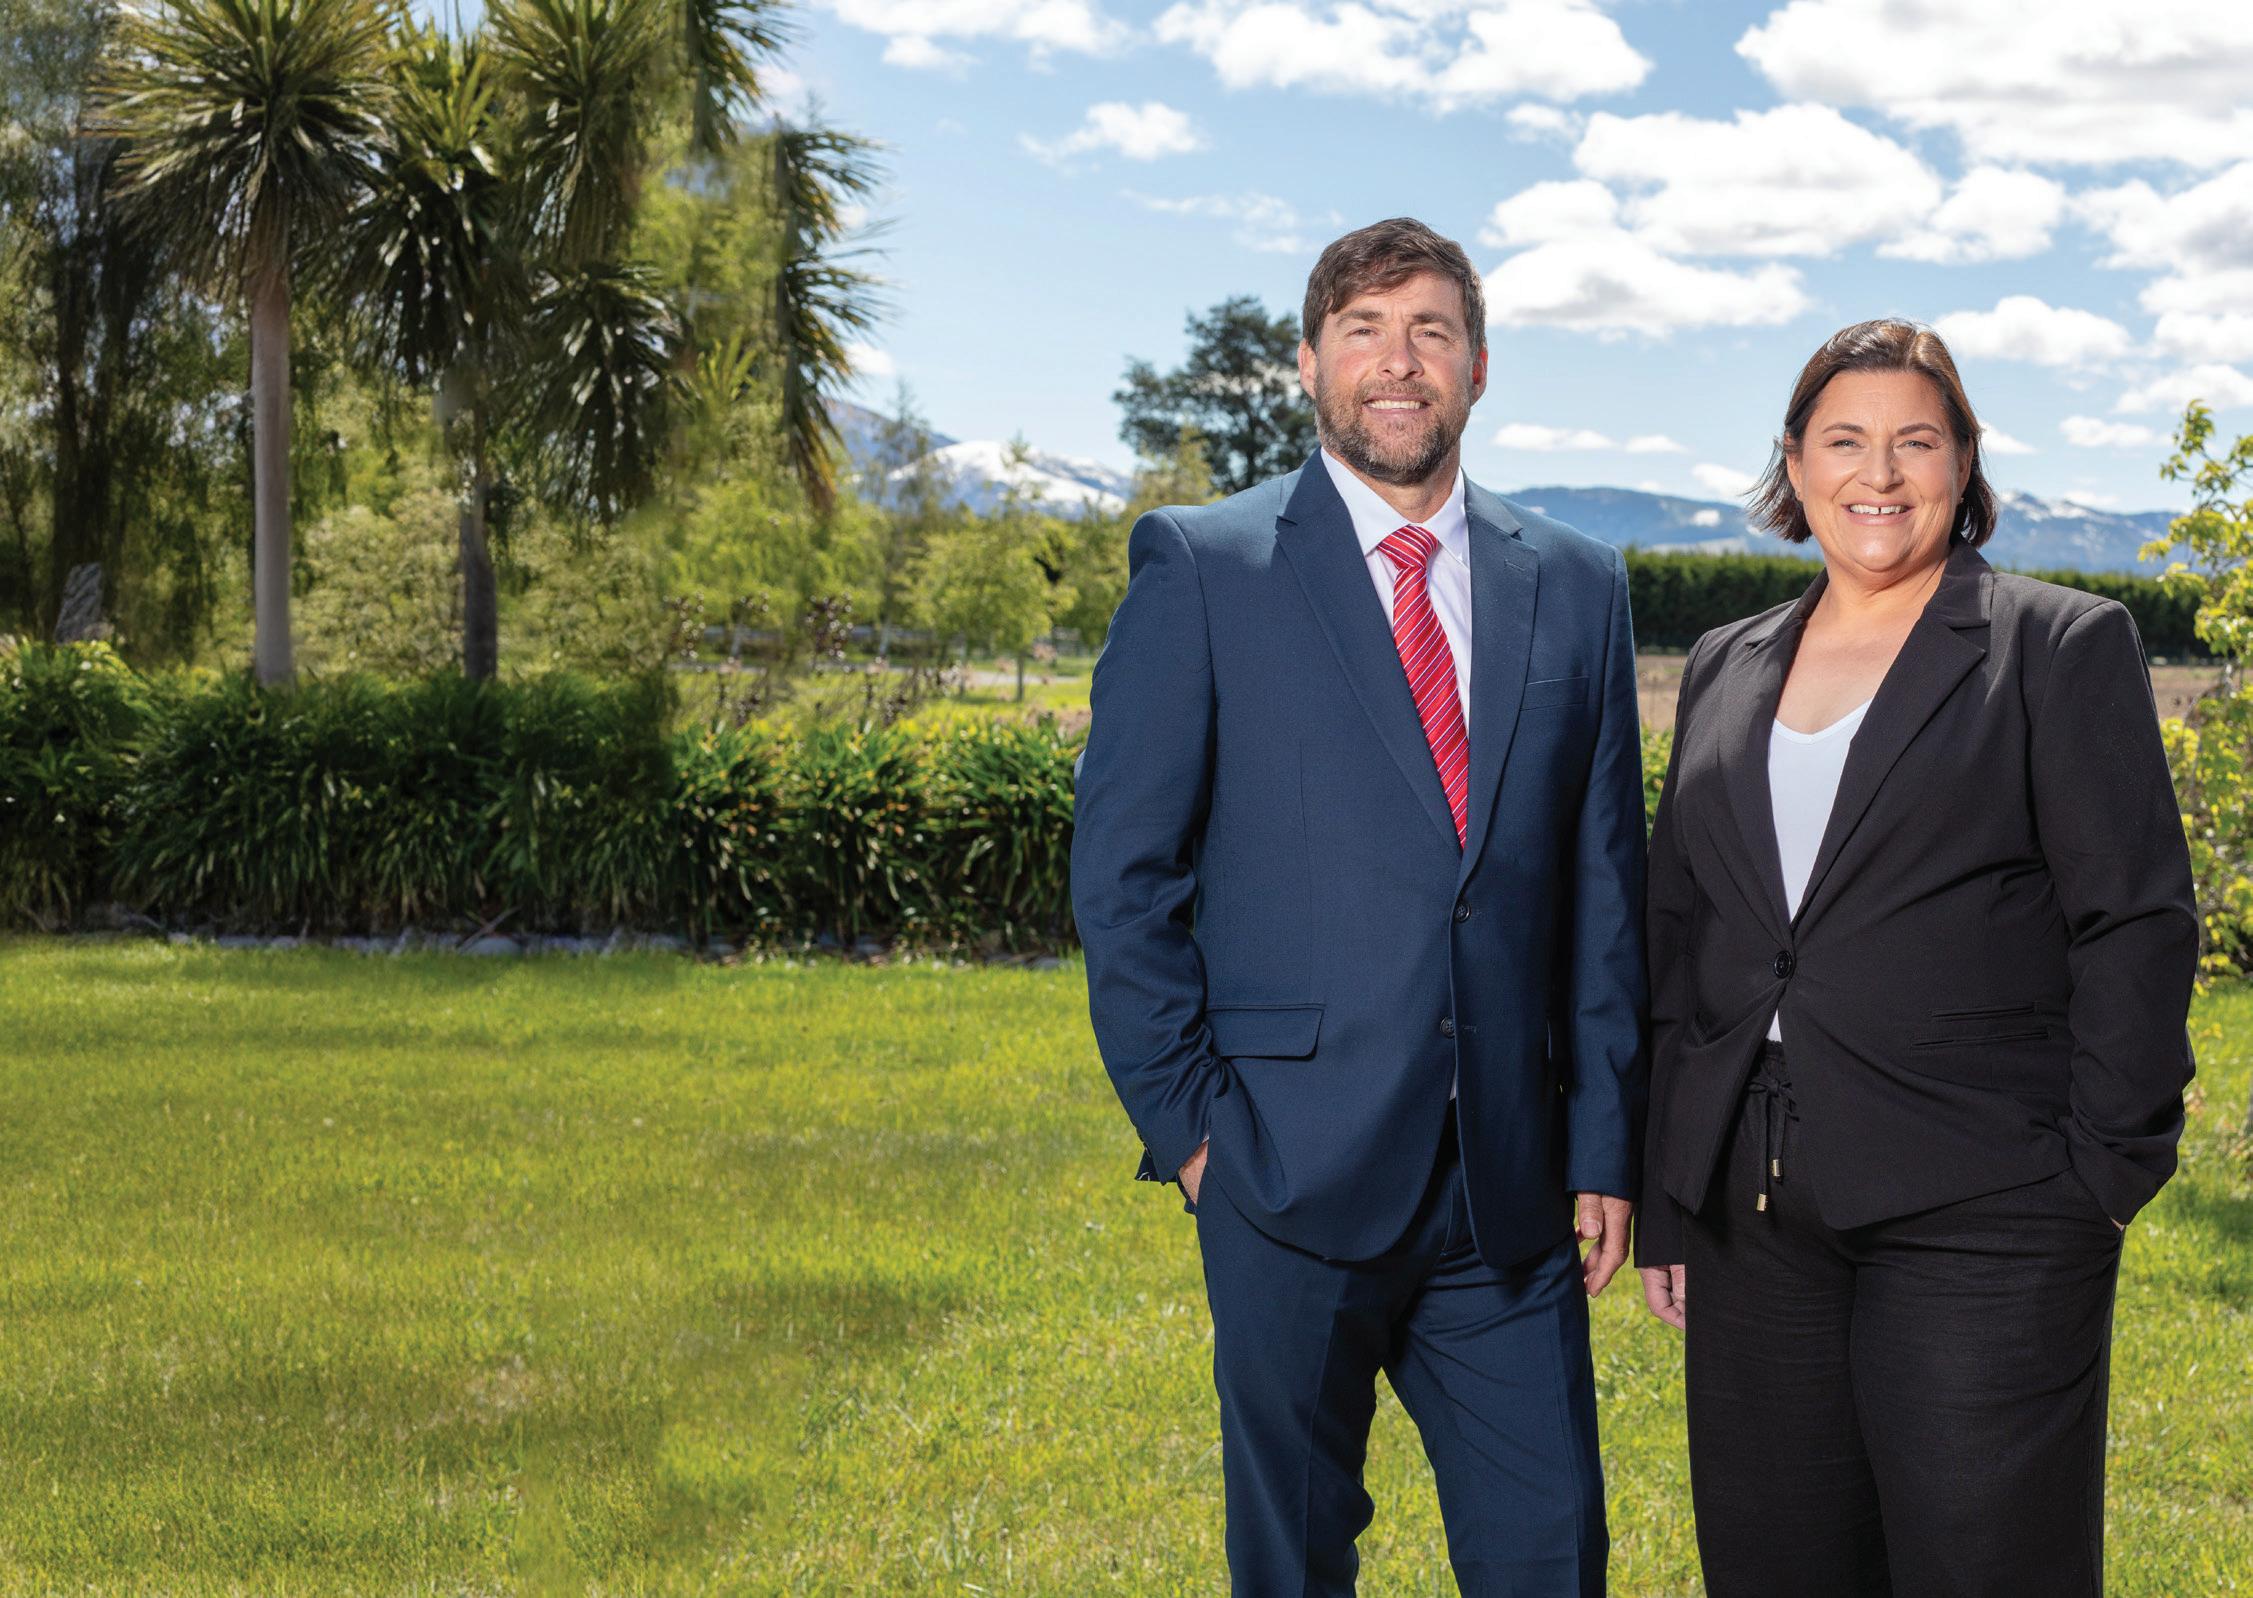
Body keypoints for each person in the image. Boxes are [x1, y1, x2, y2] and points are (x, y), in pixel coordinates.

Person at [1071, 216, 1648, 1596]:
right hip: (1282, 1172)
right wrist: (1196, 1137)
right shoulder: (1204, 566)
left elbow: (1605, 886)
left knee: (1551, 1552)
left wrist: (1602, 1139)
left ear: (1478, 366)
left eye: (1430, 331)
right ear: (1308, 362)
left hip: (1506, 1191)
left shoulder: (1576, 583)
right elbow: (1123, 876)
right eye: (1364, 332)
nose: (1399, 362)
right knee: (1295, 1562)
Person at [1634, 319, 2199, 1598]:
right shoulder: (1727, 662)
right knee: (1777, 1562)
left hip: (1986, 1203)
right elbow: (1685, 935)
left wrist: (2101, 1174)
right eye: (1844, 440)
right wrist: (1673, 1185)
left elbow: (2137, 920)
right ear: (1795, 463)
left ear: (1963, 463)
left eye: (1915, 441)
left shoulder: (2055, 645)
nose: (1878, 473)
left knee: (1984, 1562)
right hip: (1754, 1207)